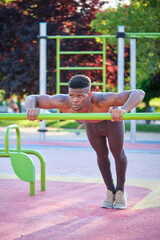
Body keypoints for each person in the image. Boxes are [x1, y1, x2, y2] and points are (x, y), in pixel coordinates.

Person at [25, 75, 145, 210]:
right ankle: (110, 191)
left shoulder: (101, 100)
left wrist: (123, 109)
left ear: (89, 94)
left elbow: (139, 93)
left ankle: (120, 192)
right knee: (101, 155)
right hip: (91, 125)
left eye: (80, 96)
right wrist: (31, 108)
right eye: (72, 95)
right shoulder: (63, 101)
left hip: (111, 122)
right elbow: (31, 98)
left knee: (117, 153)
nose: (75, 100)